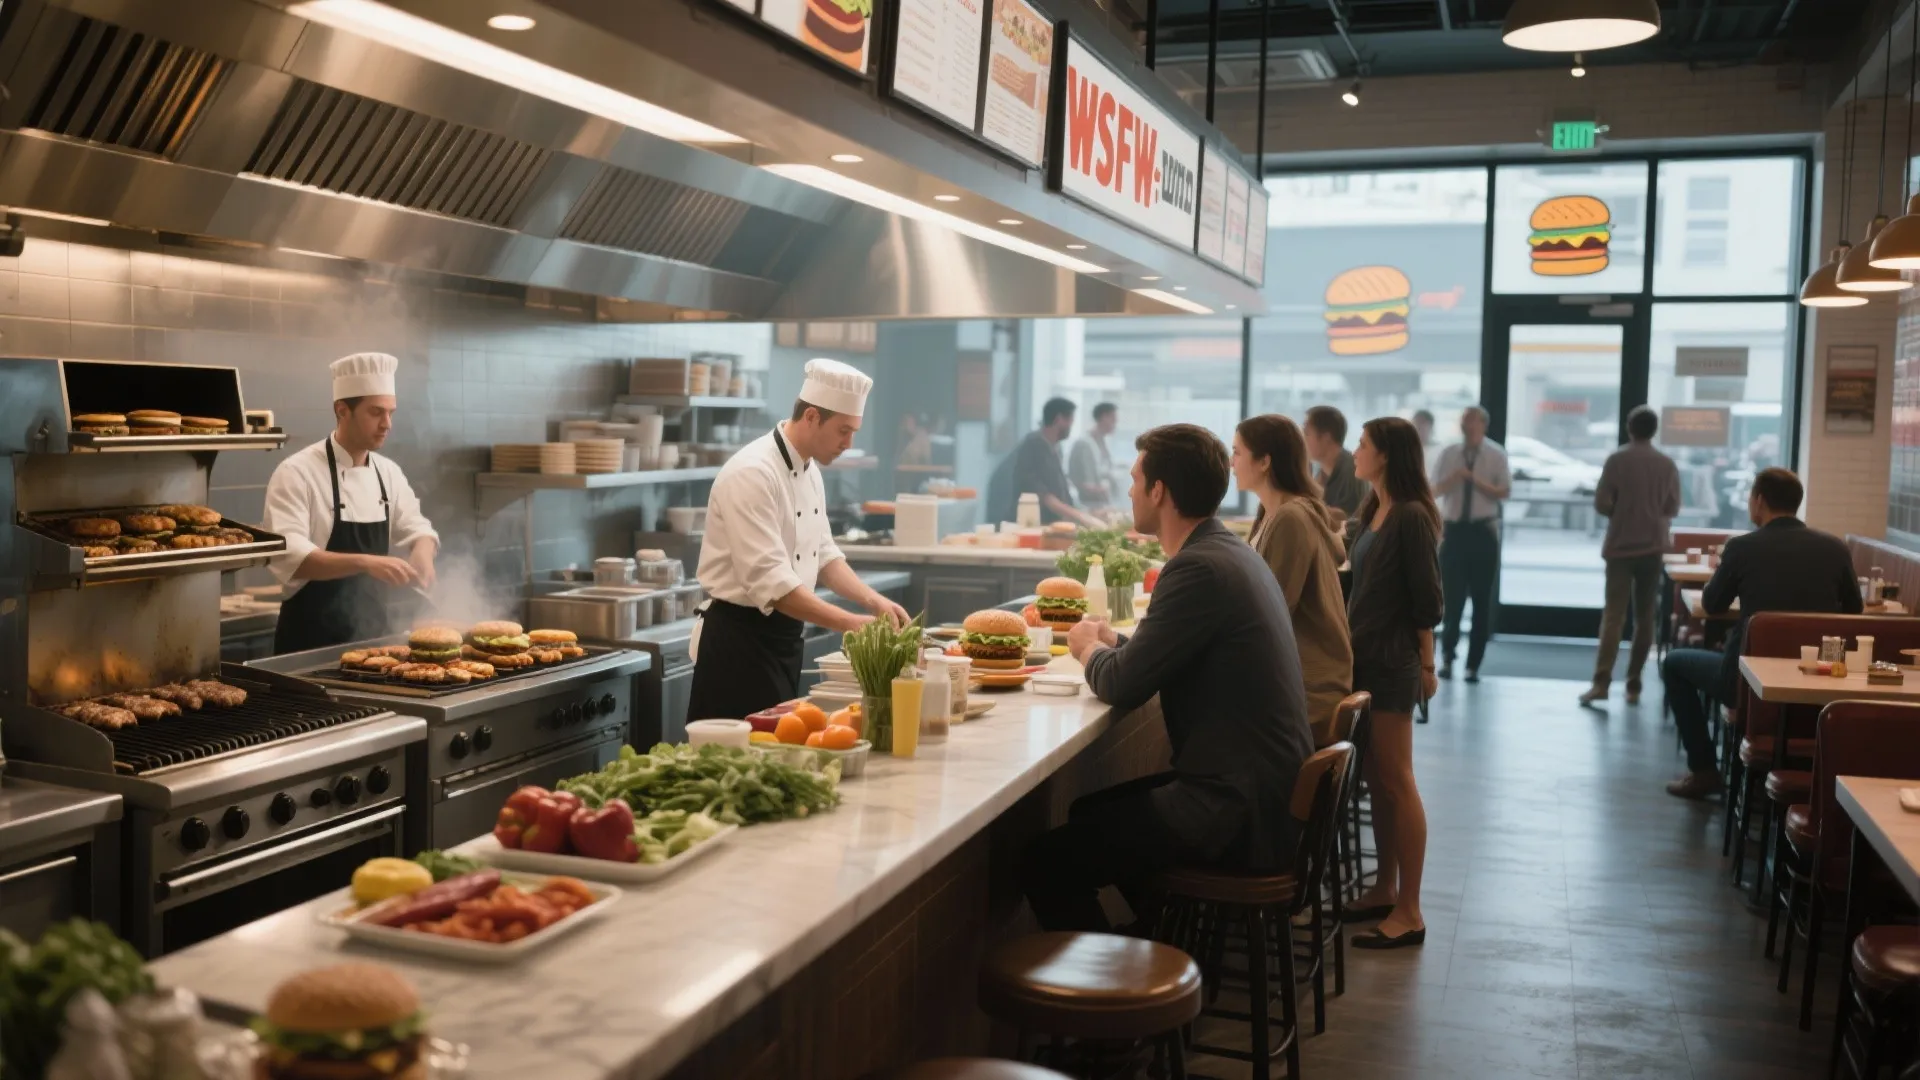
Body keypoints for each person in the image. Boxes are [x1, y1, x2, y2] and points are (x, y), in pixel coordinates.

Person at [1027, 424, 1316, 932]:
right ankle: (1155, 946)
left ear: (1160, 491)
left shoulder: (1197, 569)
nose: (1131, 489)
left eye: (1136, 479)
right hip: (1263, 793)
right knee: (1088, 812)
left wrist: (1088, 648)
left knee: (1045, 860)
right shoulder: (1226, 550)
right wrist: (1114, 644)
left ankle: (1113, 997)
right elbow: (1161, 653)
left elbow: (1123, 685)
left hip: (1234, 811)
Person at [689, 359, 911, 721]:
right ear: (811, 416)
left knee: (778, 760)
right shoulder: (753, 474)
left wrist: (874, 603)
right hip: (739, 646)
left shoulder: (810, 471)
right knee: (733, 767)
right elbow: (773, 585)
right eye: (843, 431)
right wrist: (852, 624)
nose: (848, 443)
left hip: (784, 639)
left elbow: (824, 555)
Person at [1660, 468, 1862, 799]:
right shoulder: (1835, 548)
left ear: (1760, 501)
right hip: (1822, 683)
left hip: (1746, 683)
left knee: (1674, 663)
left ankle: (1704, 771)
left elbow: (1711, 604)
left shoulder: (1742, 548)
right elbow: (1854, 614)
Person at [1343, 416, 1443, 949]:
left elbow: (1427, 602)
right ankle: (1384, 887)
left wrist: (1426, 666)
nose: (1354, 452)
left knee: (1398, 778)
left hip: (1392, 661)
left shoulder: (1410, 517)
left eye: (1362, 445)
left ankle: (1410, 909)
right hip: (1365, 658)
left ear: (1385, 455)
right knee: (1378, 780)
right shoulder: (1373, 509)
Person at [263, 353, 439, 654]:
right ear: (342, 410)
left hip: (374, 646)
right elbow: (289, 555)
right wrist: (365, 562)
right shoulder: (297, 473)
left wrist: (423, 552)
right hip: (308, 649)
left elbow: (417, 527)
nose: (387, 424)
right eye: (376, 412)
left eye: (391, 413)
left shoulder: (388, 473)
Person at [1231, 414, 1354, 741]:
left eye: (1238, 452)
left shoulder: (1291, 518)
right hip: (1297, 679)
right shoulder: (1271, 511)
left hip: (1308, 689)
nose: (1232, 463)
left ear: (1264, 462)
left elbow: (1273, 612)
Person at [1581, 406, 1682, 707]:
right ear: (1654, 430)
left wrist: (1620, 511)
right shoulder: (1666, 464)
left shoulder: (1617, 460)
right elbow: (1673, 508)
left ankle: (1601, 683)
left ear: (1629, 428)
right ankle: (1634, 684)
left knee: (1613, 615)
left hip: (1621, 547)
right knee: (1645, 617)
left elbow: (1601, 502)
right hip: (1652, 548)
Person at [1430, 405, 1510, 682]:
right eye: (1464, 423)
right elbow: (1433, 489)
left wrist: (1475, 480)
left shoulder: (1496, 454)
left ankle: (1473, 664)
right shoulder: (1449, 454)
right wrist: (1456, 478)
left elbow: (1504, 491)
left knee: (1481, 600)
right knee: (1451, 599)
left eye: (1473, 423)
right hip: (1453, 532)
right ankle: (1448, 658)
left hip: (1482, 532)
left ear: (1483, 425)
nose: (1468, 427)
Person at [1010, 398, 1105, 528]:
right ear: (1059, 419)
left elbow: (1061, 492)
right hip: (1036, 525)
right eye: (1070, 422)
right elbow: (1044, 496)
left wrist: (1085, 512)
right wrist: (1080, 517)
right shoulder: (1034, 446)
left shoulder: (1055, 447)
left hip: (1055, 523)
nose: (1071, 427)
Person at [1303, 405, 1365, 518]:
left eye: (1307, 433)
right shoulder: (1320, 470)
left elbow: (1349, 520)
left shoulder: (1351, 471)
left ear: (1326, 437)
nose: (1303, 439)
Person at [1068, 402, 1121, 513]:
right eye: (1113, 419)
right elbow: (1081, 482)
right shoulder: (1084, 444)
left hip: (1103, 505)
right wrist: (1101, 490)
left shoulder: (1103, 442)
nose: (1116, 423)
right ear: (1103, 417)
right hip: (1088, 506)